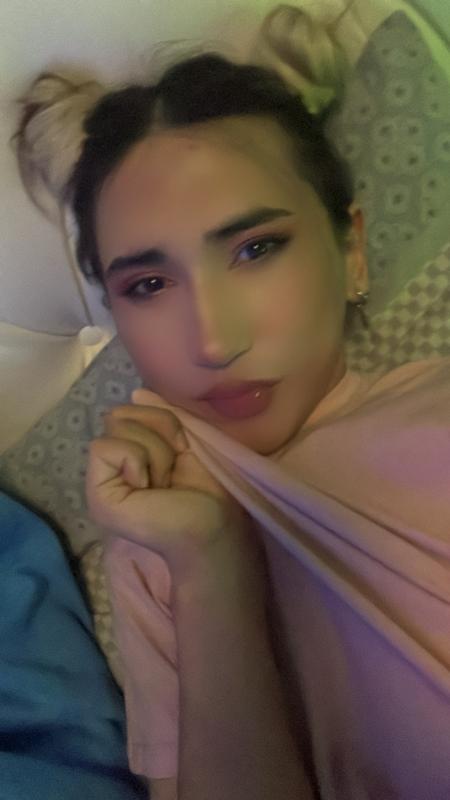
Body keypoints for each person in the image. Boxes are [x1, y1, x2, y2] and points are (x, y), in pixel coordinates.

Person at [14, 5, 450, 799]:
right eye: (149, 285)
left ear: (351, 249)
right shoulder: (154, 545)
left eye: (256, 248)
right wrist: (209, 564)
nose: (214, 341)